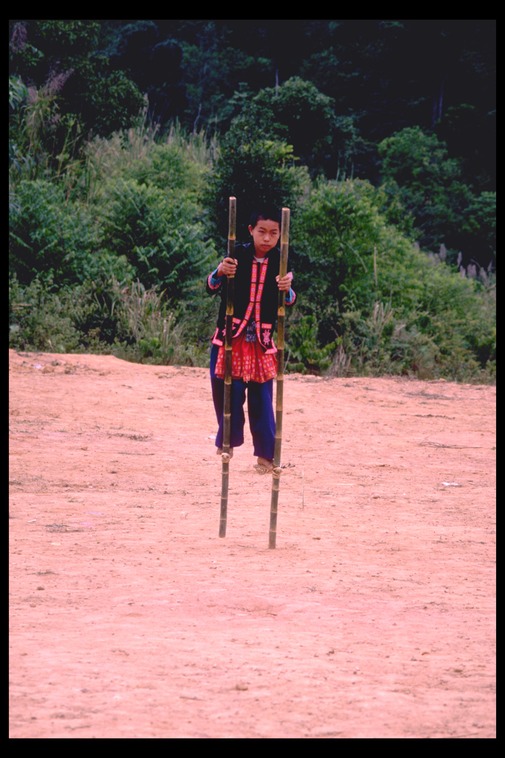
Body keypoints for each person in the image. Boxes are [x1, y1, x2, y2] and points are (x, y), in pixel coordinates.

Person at [206, 206, 296, 473]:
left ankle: (266, 456)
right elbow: (210, 285)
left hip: (262, 341)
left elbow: (289, 300)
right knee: (226, 390)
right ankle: (227, 443)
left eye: (273, 233)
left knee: (262, 396)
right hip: (230, 337)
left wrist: (287, 289)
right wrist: (220, 271)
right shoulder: (236, 255)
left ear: (280, 235)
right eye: (262, 232)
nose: (267, 238)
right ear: (250, 231)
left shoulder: (282, 261)